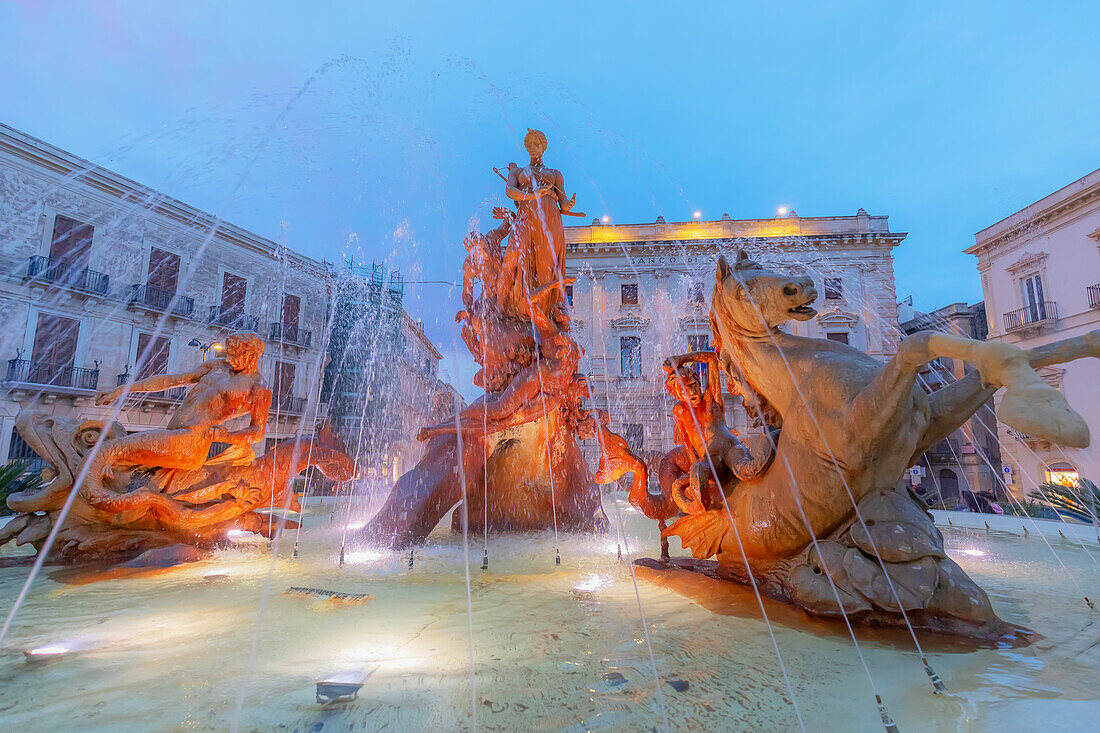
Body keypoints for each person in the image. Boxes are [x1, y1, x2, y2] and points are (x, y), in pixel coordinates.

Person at [90, 331, 271, 507]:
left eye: (234, 354)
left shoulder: (258, 388)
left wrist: (227, 436)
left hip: (190, 442)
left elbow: (258, 432)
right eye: (228, 352)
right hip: (174, 433)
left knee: (109, 449)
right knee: (111, 455)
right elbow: (171, 380)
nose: (229, 358)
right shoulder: (216, 366)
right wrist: (124, 389)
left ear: (251, 355)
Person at [501, 129, 576, 319]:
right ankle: (503, 306)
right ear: (526, 147)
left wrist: (569, 204)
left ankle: (542, 315)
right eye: (530, 144)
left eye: (537, 144)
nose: (533, 147)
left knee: (545, 267)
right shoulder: (517, 172)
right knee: (511, 258)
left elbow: (563, 202)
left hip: (550, 217)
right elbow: (509, 191)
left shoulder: (555, 173)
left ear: (544, 147)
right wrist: (530, 195)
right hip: (526, 215)